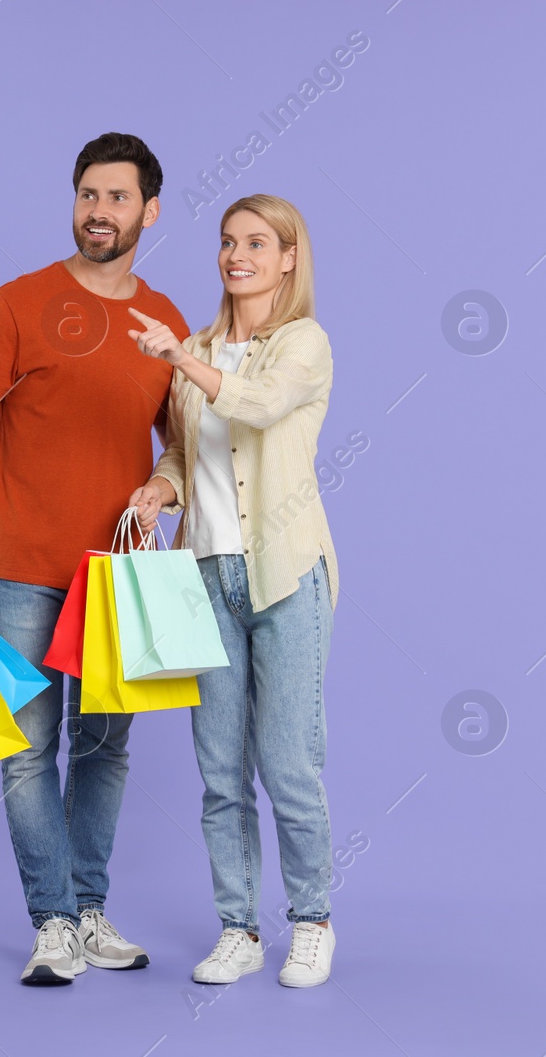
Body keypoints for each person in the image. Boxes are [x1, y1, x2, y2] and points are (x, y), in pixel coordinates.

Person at [0, 133, 189, 984]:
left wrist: (164, 496)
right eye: (87, 195)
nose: (99, 211)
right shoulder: (18, 303)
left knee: (104, 745)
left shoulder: (167, 323)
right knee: (28, 746)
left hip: (122, 573)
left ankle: (90, 907)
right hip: (24, 561)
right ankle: (54, 921)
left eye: (116, 197)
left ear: (150, 210)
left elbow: (182, 450)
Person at [127, 193, 341, 988]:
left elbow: (259, 406)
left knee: (288, 763)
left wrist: (181, 362)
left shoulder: (303, 345)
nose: (235, 254)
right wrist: (159, 488)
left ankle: (312, 921)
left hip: (283, 573)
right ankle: (238, 929)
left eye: (256, 242)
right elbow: (187, 452)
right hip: (203, 578)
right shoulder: (202, 346)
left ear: (289, 257)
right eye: (226, 242)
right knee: (219, 769)